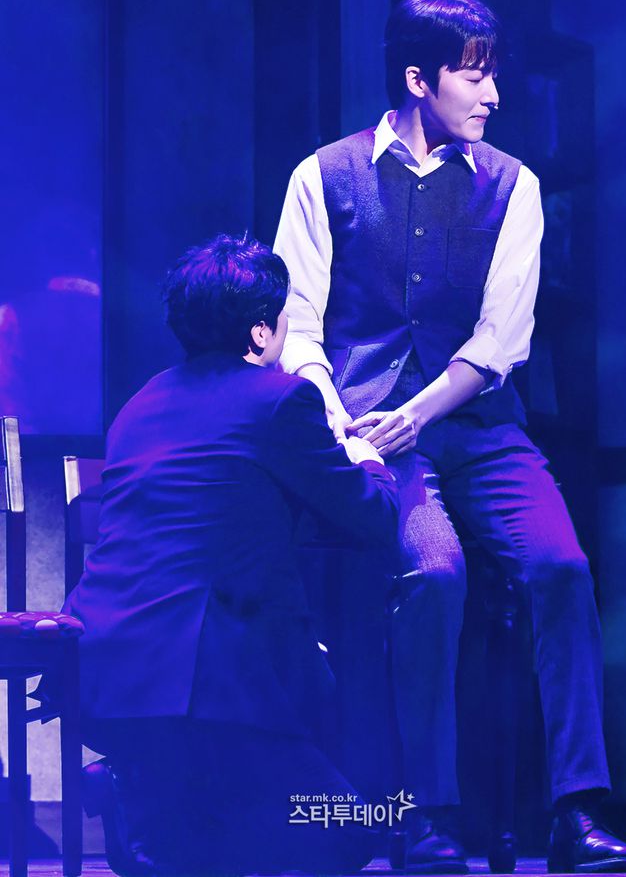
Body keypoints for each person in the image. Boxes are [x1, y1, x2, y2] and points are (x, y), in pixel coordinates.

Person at [274, 0, 626, 874]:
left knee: (561, 566)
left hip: (476, 428)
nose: (493, 95)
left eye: (492, 75)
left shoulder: (515, 186)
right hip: (367, 432)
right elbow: (299, 329)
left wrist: (419, 414)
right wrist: (343, 427)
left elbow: (501, 339)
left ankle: (576, 812)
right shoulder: (322, 176)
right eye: (473, 76)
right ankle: (426, 815)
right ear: (417, 79)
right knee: (434, 573)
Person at [63, 233, 399, 875]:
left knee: (209, 833)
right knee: (354, 831)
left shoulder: (139, 405)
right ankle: (145, 806)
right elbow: (372, 517)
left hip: (107, 672)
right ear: (260, 332)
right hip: (206, 686)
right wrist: (366, 458)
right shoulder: (281, 400)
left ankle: (142, 796)